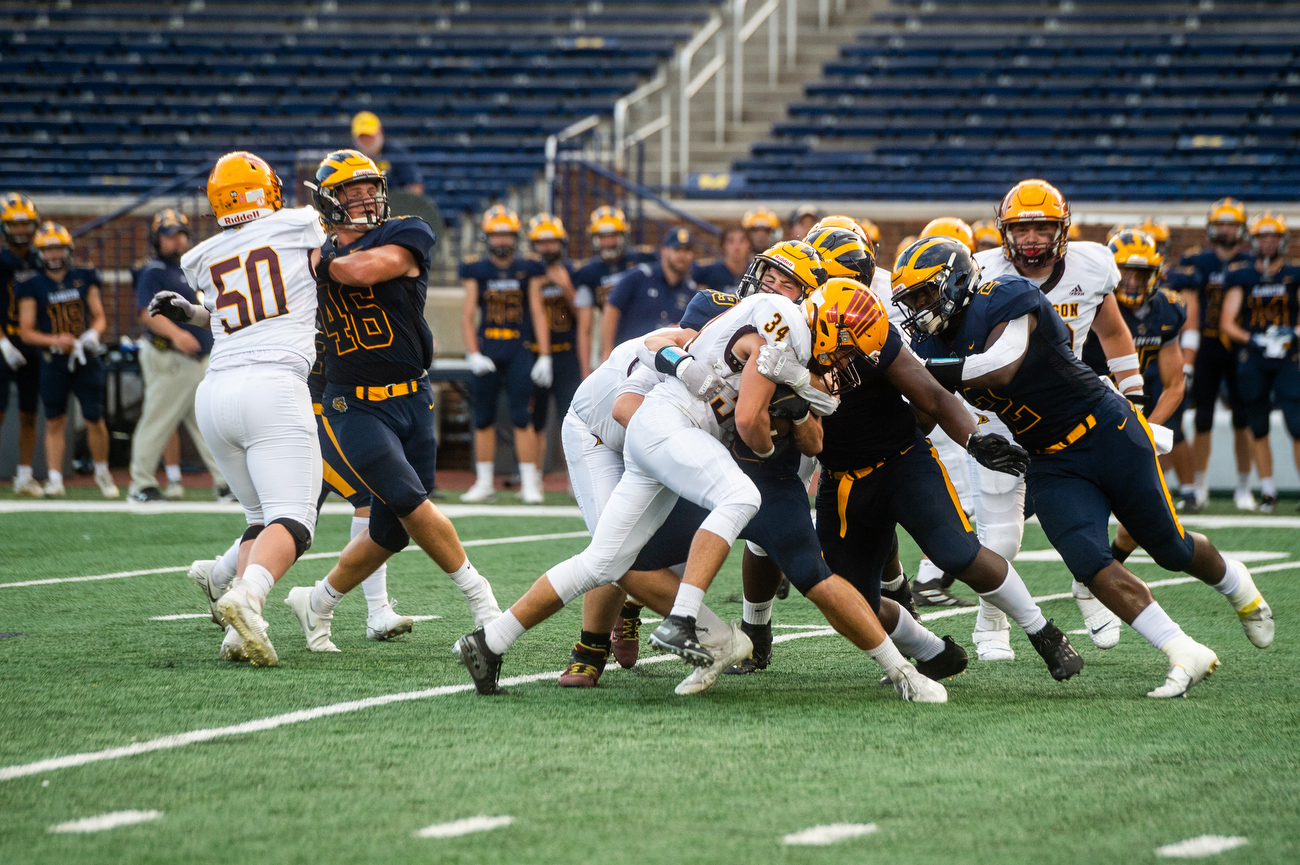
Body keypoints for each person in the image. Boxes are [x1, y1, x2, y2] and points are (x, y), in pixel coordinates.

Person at [897, 236, 1273, 697]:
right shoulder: (930, 340)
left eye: (924, 293)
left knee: (1169, 549)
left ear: (955, 280)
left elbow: (1000, 365)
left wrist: (923, 366)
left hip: (1105, 430)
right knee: (1089, 562)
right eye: (910, 299)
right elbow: (930, 402)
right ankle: (1182, 650)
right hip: (1049, 459)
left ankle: (1237, 585)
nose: (919, 307)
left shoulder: (1008, 296)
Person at [282, 149, 501, 654]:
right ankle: (481, 598)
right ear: (328, 203)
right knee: (410, 502)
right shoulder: (309, 254)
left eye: (369, 192)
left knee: (393, 530)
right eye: (351, 195)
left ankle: (316, 601)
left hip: (413, 396)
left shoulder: (408, 231)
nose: (364, 202)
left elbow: (364, 270)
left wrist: (317, 259)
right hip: (351, 403)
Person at [147, 151, 326, 666]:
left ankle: (235, 633)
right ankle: (246, 598)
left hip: (216, 391)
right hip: (272, 385)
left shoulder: (200, 257)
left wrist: (194, 313)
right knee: (294, 522)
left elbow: (243, 308)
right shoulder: (299, 225)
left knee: (258, 517)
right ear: (267, 191)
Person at [965, 178, 1142, 659]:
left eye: (1043, 226)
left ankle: (1088, 588)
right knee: (1001, 532)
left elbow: (1115, 336)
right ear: (1004, 231)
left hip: (1070, 411)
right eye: (1021, 228)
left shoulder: (1091, 265)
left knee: (1098, 506)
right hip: (1003, 413)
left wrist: (1135, 398)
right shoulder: (981, 270)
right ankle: (991, 618)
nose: (1031, 238)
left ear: (1062, 229)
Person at [1081, 230, 1188, 600]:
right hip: (1083, 413)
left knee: (1142, 513)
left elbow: (1175, 383)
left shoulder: (1166, 309)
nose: (1131, 282)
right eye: (1125, 272)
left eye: (1140, 275)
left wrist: (1148, 427)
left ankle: (1099, 573)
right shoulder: (1089, 301)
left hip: (1133, 411)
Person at [128, 208, 228, 502]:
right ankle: (141, 484)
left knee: (208, 425)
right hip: (170, 357)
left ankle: (225, 483)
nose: (178, 241)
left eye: (182, 234)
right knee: (157, 421)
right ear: (157, 240)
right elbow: (147, 313)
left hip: (196, 361)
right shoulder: (154, 270)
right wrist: (177, 334)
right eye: (170, 236)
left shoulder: (185, 271)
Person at [1166, 198, 1256, 511]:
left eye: (1232, 224)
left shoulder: (1251, 262)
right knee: (1202, 418)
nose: (1227, 230)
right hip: (1205, 345)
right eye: (1222, 224)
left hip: (1241, 347)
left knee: (1243, 419)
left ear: (1241, 228)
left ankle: (1244, 487)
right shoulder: (1197, 262)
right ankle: (1200, 485)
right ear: (1212, 227)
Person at [16, 222, 117, 498]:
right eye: (48, 250)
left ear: (68, 249)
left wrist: (92, 335)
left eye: (58, 248)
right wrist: (54, 341)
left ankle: (102, 472)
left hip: (85, 357)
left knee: (94, 418)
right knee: (54, 420)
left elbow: (98, 316)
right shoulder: (31, 285)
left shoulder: (84, 276)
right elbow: (26, 331)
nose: (53, 255)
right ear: (39, 252)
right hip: (54, 359)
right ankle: (55, 478)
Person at [459, 205, 544, 504]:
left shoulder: (528, 268)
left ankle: (530, 482)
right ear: (487, 238)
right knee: (483, 418)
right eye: (497, 236)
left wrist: (544, 354)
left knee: (523, 417)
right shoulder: (477, 270)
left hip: (519, 347)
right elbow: (468, 314)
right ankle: (484, 482)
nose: (502, 241)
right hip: (489, 349)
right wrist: (473, 352)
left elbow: (537, 310)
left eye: (507, 235)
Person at [1220, 212, 1300, 514]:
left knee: (1298, 424)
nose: (1268, 242)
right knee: (1258, 425)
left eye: (1274, 237)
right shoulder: (1243, 275)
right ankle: (1268, 491)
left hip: (1288, 357)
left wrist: (1292, 333)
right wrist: (1254, 340)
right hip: (1254, 357)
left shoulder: (1293, 274)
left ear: (1283, 240)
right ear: (1253, 240)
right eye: (1263, 237)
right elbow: (1228, 322)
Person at [525, 212, 581, 483]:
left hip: (567, 353)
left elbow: (582, 314)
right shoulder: (527, 274)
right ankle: (533, 476)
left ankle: (574, 480)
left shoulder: (572, 271)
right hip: (536, 354)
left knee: (571, 419)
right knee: (535, 418)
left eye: (552, 242)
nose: (547, 248)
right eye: (541, 242)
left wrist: (565, 285)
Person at [570, 206, 655, 374]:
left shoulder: (642, 260)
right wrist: (586, 372)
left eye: (613, 236)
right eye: (603, 238)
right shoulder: (589, 272)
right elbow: (585, 328)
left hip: (645, 334)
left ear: (623, 236)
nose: (608, 243)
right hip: (611, 341)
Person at [1, 192, 46, 497]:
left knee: (29, 412)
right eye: (14, 225)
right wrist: (2, 342)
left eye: (24, 225)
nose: (20, 231)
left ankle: (24, 475)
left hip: (31, 342)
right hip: (4, 340)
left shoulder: (41, 258)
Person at [599, 227, 698, 358]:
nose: (682, 255)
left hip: (665, 361)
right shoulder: (640, 276)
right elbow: (612, 308)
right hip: (628, 356)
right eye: (677, 249)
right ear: (664, 251)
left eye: (687, 250)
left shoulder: (690, 289)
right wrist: (607, 352)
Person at [351, 111, 423, 195]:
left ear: (380, 132)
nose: (367, 141)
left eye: (370, 136)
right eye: (363, 137)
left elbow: (416, 186)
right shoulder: (349, 157)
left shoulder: (396, 153)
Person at [692, 226, 751, 294]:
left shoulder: (756, 271)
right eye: (731, 241)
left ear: (749, 244)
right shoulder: (708, 271)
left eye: (742, 241)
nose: (737, 247)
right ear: (723, 245)